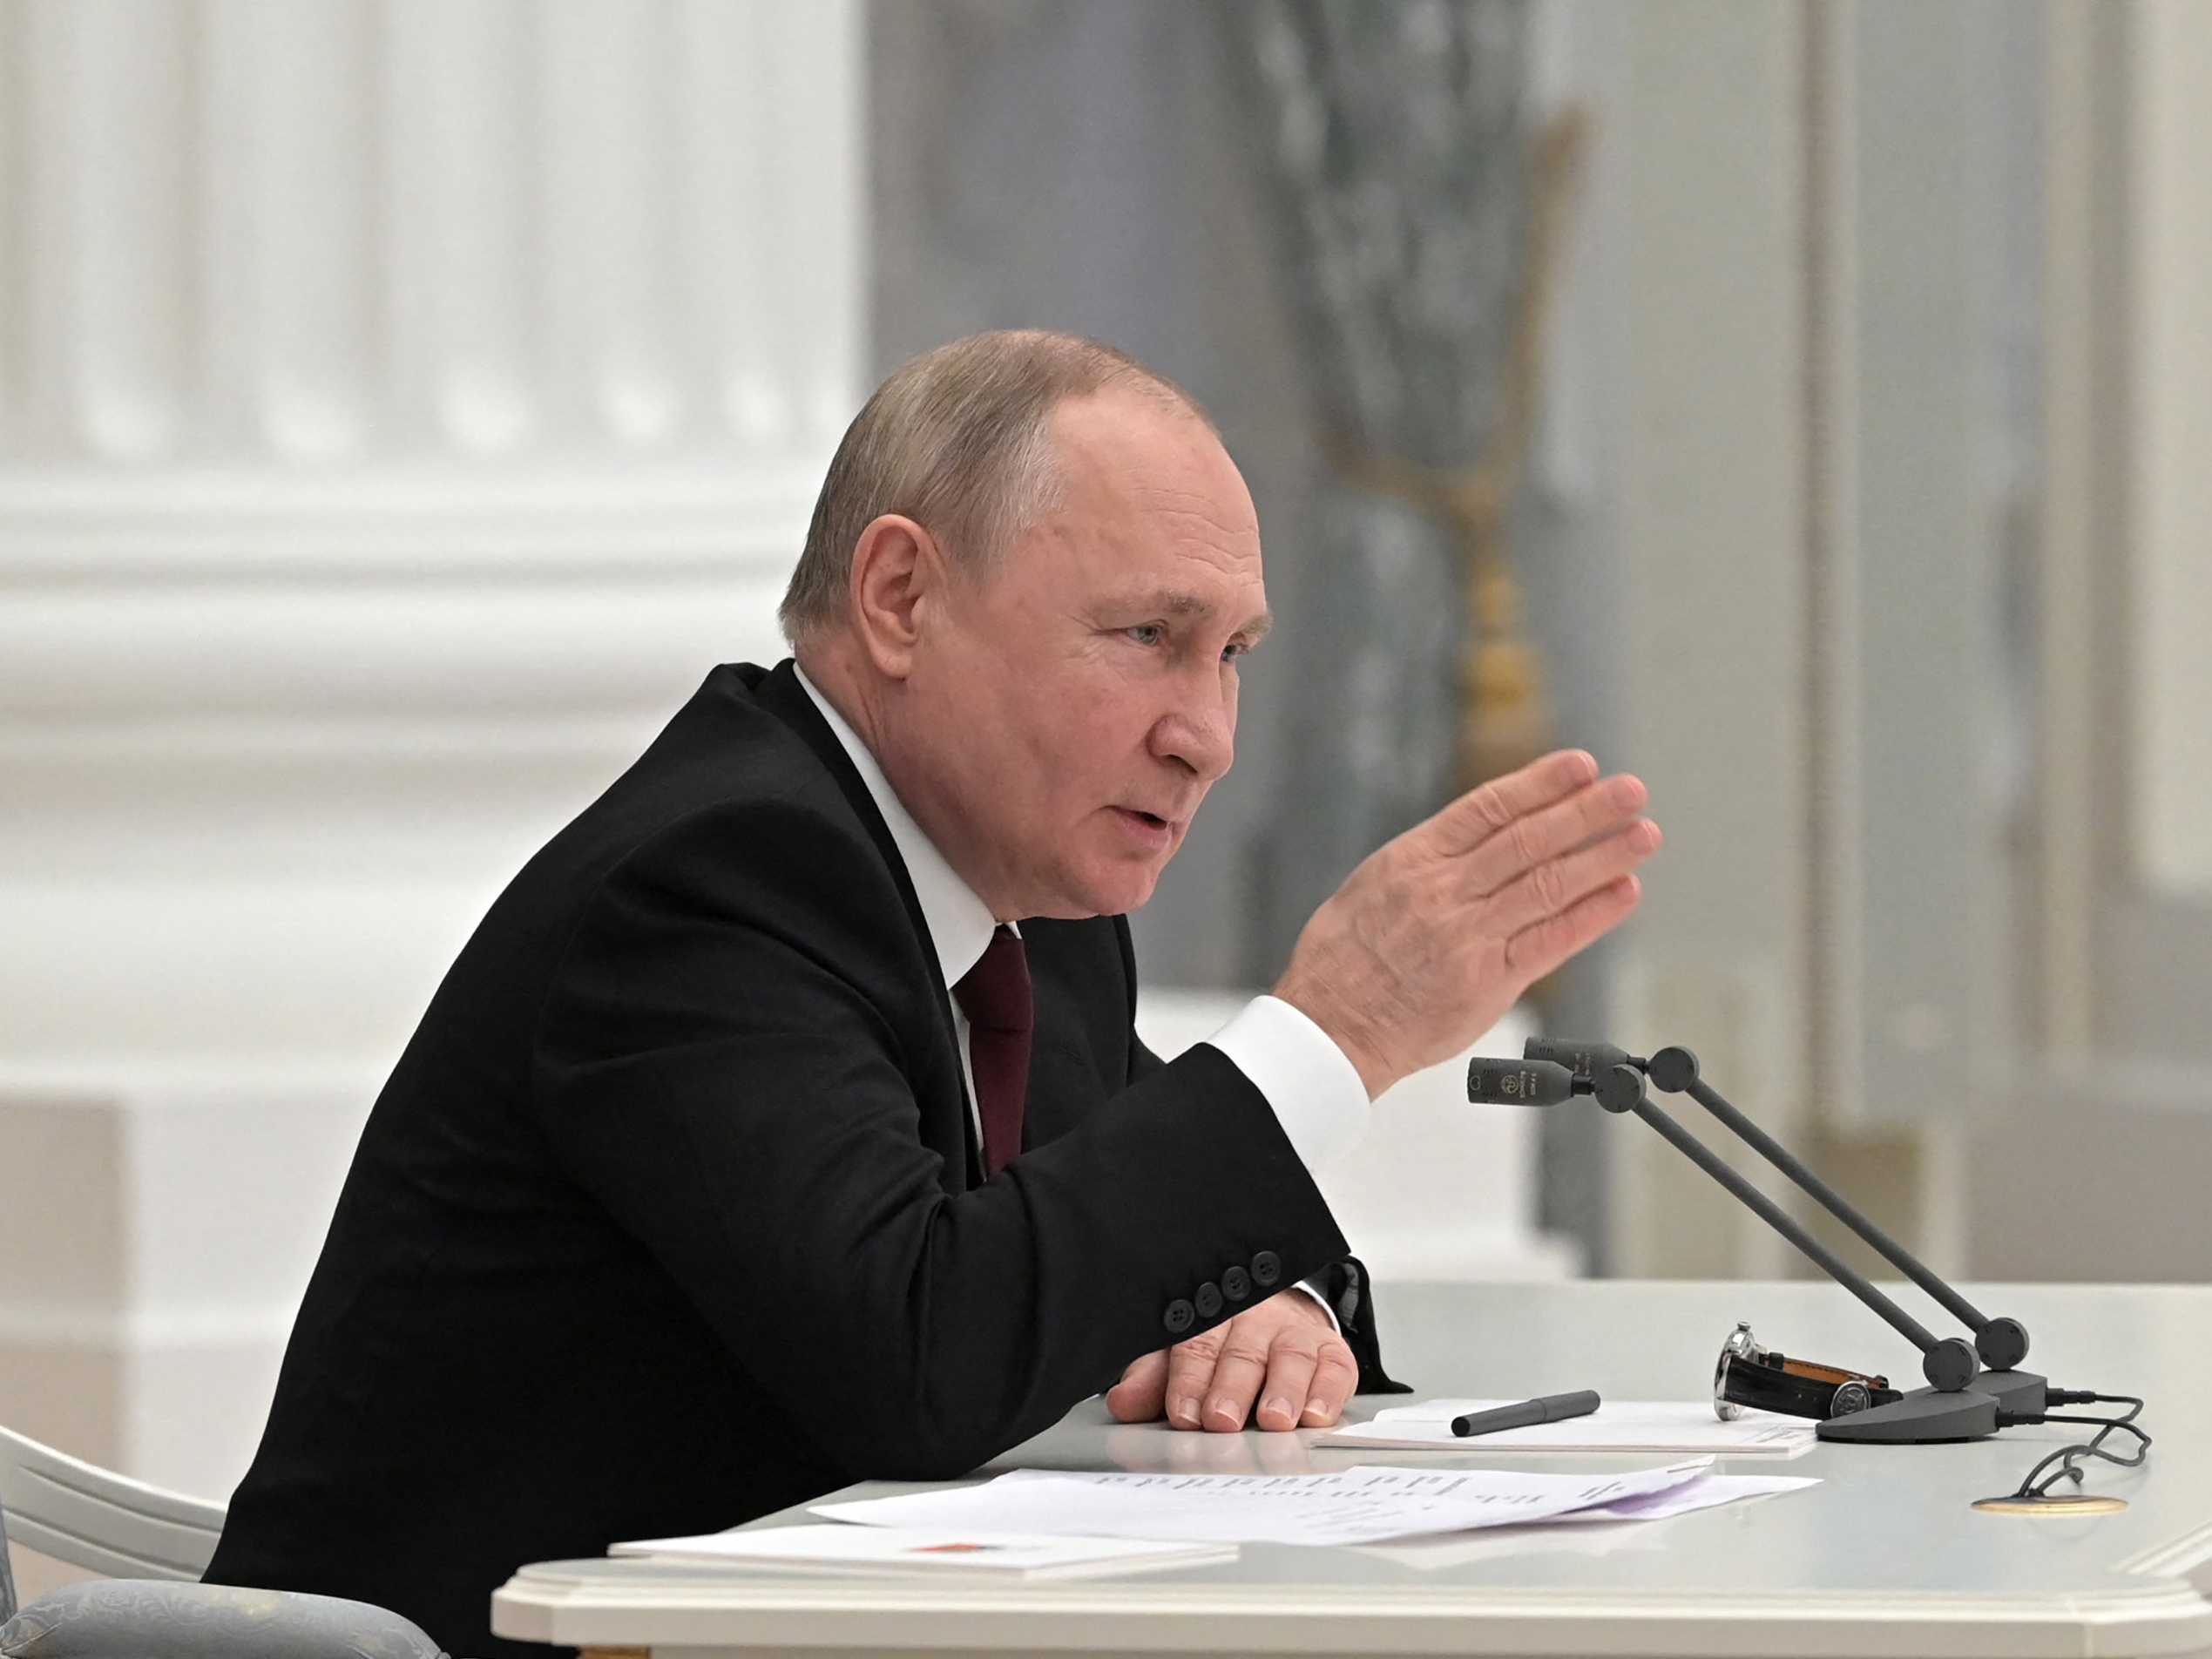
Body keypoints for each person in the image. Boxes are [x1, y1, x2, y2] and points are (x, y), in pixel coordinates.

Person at [204, 332, 1658, 1657]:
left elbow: (1127, 1224)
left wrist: (1274, 1304)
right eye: (1147, 637)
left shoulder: (1031, 897)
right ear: (900, 597)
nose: (1205, 736)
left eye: (1231, 655)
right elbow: (923, 1358)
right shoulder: (714, 884)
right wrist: (1334, 1033)